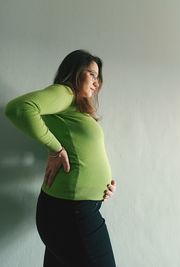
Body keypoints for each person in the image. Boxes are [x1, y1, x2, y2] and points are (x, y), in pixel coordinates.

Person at [5, 49, 117, 267]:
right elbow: (18, 109)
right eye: (91, 74)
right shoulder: (65, 93)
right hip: (71, 213)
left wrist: (104, 184)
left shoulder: (76, 107)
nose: (97, 82)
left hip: (73, 210)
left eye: (98, 77)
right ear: (75, 72)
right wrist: (56, 149)